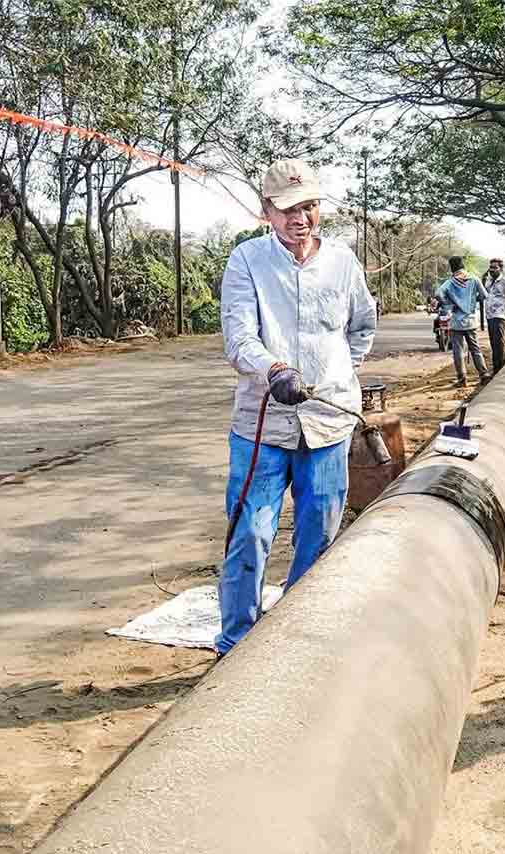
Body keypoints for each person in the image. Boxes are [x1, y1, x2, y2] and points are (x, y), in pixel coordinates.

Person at [216, 158, 377, 656]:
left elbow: (362, 328)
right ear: (266, 210)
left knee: (319, 537)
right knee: (250, 533)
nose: (299, 219)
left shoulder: (343, 263)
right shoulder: (247, 261)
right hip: (262, 425)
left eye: (308, 207)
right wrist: (275, 370)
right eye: (287, 209)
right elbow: (238, 337)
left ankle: (293, 646)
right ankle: (235, 644)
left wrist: (336, 374)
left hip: (328, 424)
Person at [437, 255, 490, 387]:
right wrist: (473, 300)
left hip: (456, 322)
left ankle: (462, 379)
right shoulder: (474, 279)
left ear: (452, 268)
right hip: (471, 321)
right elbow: (484, 295)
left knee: (458, 351)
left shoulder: (450, 282)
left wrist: (449, 304)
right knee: (475, 349)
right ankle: (484, 375)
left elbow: (438, 294)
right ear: (463, 266)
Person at [481, 257, 505, 373]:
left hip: (500, 316)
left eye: (495, 267)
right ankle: (498, 367)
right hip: (490, 316)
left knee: (499, 343)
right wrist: (483, 279)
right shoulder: (488, 282)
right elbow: (483, 294)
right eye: (490, 267)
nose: (492, 270)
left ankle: (499, 369)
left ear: (501, 269)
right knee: (493, 343)